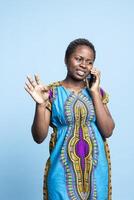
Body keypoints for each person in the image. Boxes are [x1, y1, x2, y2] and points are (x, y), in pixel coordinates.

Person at [24, 38, 115, 200]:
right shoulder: (50, 92)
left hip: (96, 174)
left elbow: (108, 130)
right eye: (78, 59)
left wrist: (94, 92)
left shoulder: (98, 92)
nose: (83, 65)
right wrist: (40, 105)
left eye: (89, 62)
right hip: (61, 174)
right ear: (66, 59)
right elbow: (39, 137)